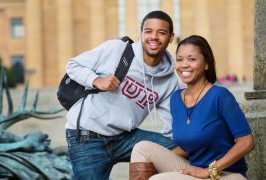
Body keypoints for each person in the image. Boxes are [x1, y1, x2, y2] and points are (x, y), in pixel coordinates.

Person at [65, 10, 180, 179]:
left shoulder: (169, 80)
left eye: (161, 32)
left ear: (171, 37)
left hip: (125, 138)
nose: (154, 37)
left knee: (178, 147)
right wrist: (97, 80)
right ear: (141, 34)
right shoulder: (117, 49)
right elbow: (73, 65)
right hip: (87, 137)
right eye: (148, 31)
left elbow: (171, 122)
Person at [130, 35, 254, 180]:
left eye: (192, 59)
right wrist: (159, 162)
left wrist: (209, 170)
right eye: (180, 59)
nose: (184, 65)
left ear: (206, 64)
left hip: (226, 175)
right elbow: (187, 146)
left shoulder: (220, 95)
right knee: (142, 148)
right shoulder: (176, 99)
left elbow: (246, 142)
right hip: (195, 172)